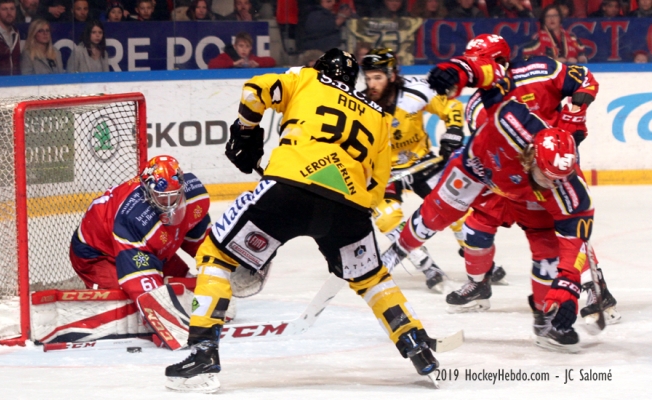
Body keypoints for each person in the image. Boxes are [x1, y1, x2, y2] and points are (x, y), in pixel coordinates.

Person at [164, 48, 442, 393]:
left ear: (320, 68)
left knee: (216, 255)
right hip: (350, 206)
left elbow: (255, 89)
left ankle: (202, 352)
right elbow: (377, 183)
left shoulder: (306, 77)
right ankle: (415, 343)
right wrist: (353, 220)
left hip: (289, 189)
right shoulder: (379, 115)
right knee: (372, 278)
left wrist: (246, 131)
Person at [398, 34, 618, 348]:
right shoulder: (477, 105)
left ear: (500, 60)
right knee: (476, 231)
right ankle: (479, 284)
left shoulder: (540, 69)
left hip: (551, 165)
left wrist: (576, 113)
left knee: (566, 230)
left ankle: (591, 288)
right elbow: (483, 154)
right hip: (507, 178)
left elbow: (584, 80)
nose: (479, 66)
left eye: (485, 59)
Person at [361, 48, 489, 292]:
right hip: (384, 172)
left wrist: (453, 130)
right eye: (368, 78)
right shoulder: (361, 102)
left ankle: (476, 259)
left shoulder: (416, 89)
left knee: (458, 210)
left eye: (377, 77)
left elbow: (450, 107)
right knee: (387, 218)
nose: (371, 84)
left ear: (391, 75)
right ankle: (427, 266)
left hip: (422, 163)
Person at [70, 155, 210, 310]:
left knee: (183, 286)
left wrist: (219, 270)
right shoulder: (132, 217)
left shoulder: (195, 196)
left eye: (174, 195)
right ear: (148, 193)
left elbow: (202, 244)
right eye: (163, 198)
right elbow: (141, 288)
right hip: (98, 253)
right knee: (126, 305)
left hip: (148, 247)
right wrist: (160, 306)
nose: (170, 204)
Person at [207, 32, 275, 69]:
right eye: (241, 46)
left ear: (251, 48)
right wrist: (233, 63)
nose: (244, 49)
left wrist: (258, 64)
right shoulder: (227, 56)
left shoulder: (251, 59)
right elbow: (211, 64)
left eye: (247, 46)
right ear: (235, 46)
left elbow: (272, 61)